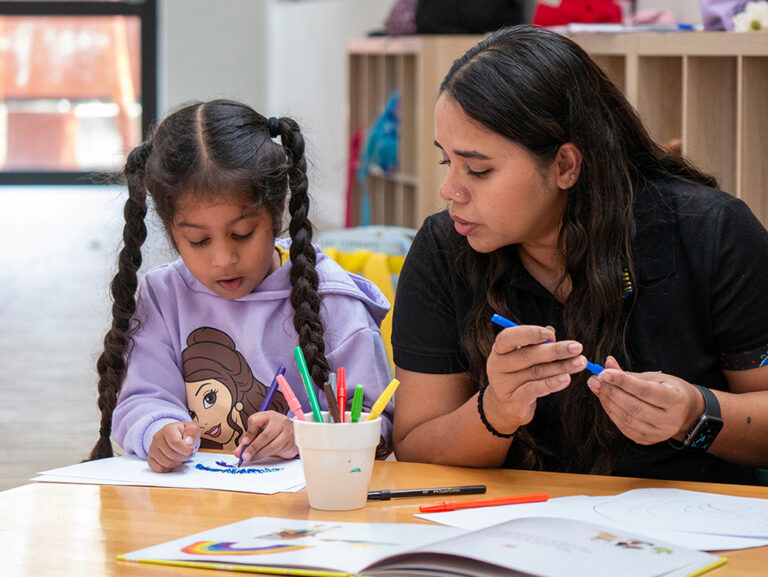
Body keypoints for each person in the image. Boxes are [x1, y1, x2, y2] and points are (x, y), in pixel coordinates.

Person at [391, 25, 768, 484]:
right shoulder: (444, 248)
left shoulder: (710, 232)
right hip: (517, 531)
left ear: (566, 165)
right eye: (446, 161)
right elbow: (413, 445)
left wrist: (697, 413)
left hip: (697, 534)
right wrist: (494, 411)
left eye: (478, 169)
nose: (449, 190)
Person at [89, 99, 393, 473]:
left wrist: (303, 432)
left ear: (278, 208)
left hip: (304, 513)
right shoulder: (162, 296)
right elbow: (141, 399)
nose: (223, 259)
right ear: (171, 231)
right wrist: (158, 430)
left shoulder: (335, 300)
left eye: (242, 233)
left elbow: (377, 418)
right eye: (199, 241)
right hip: (195, 507)